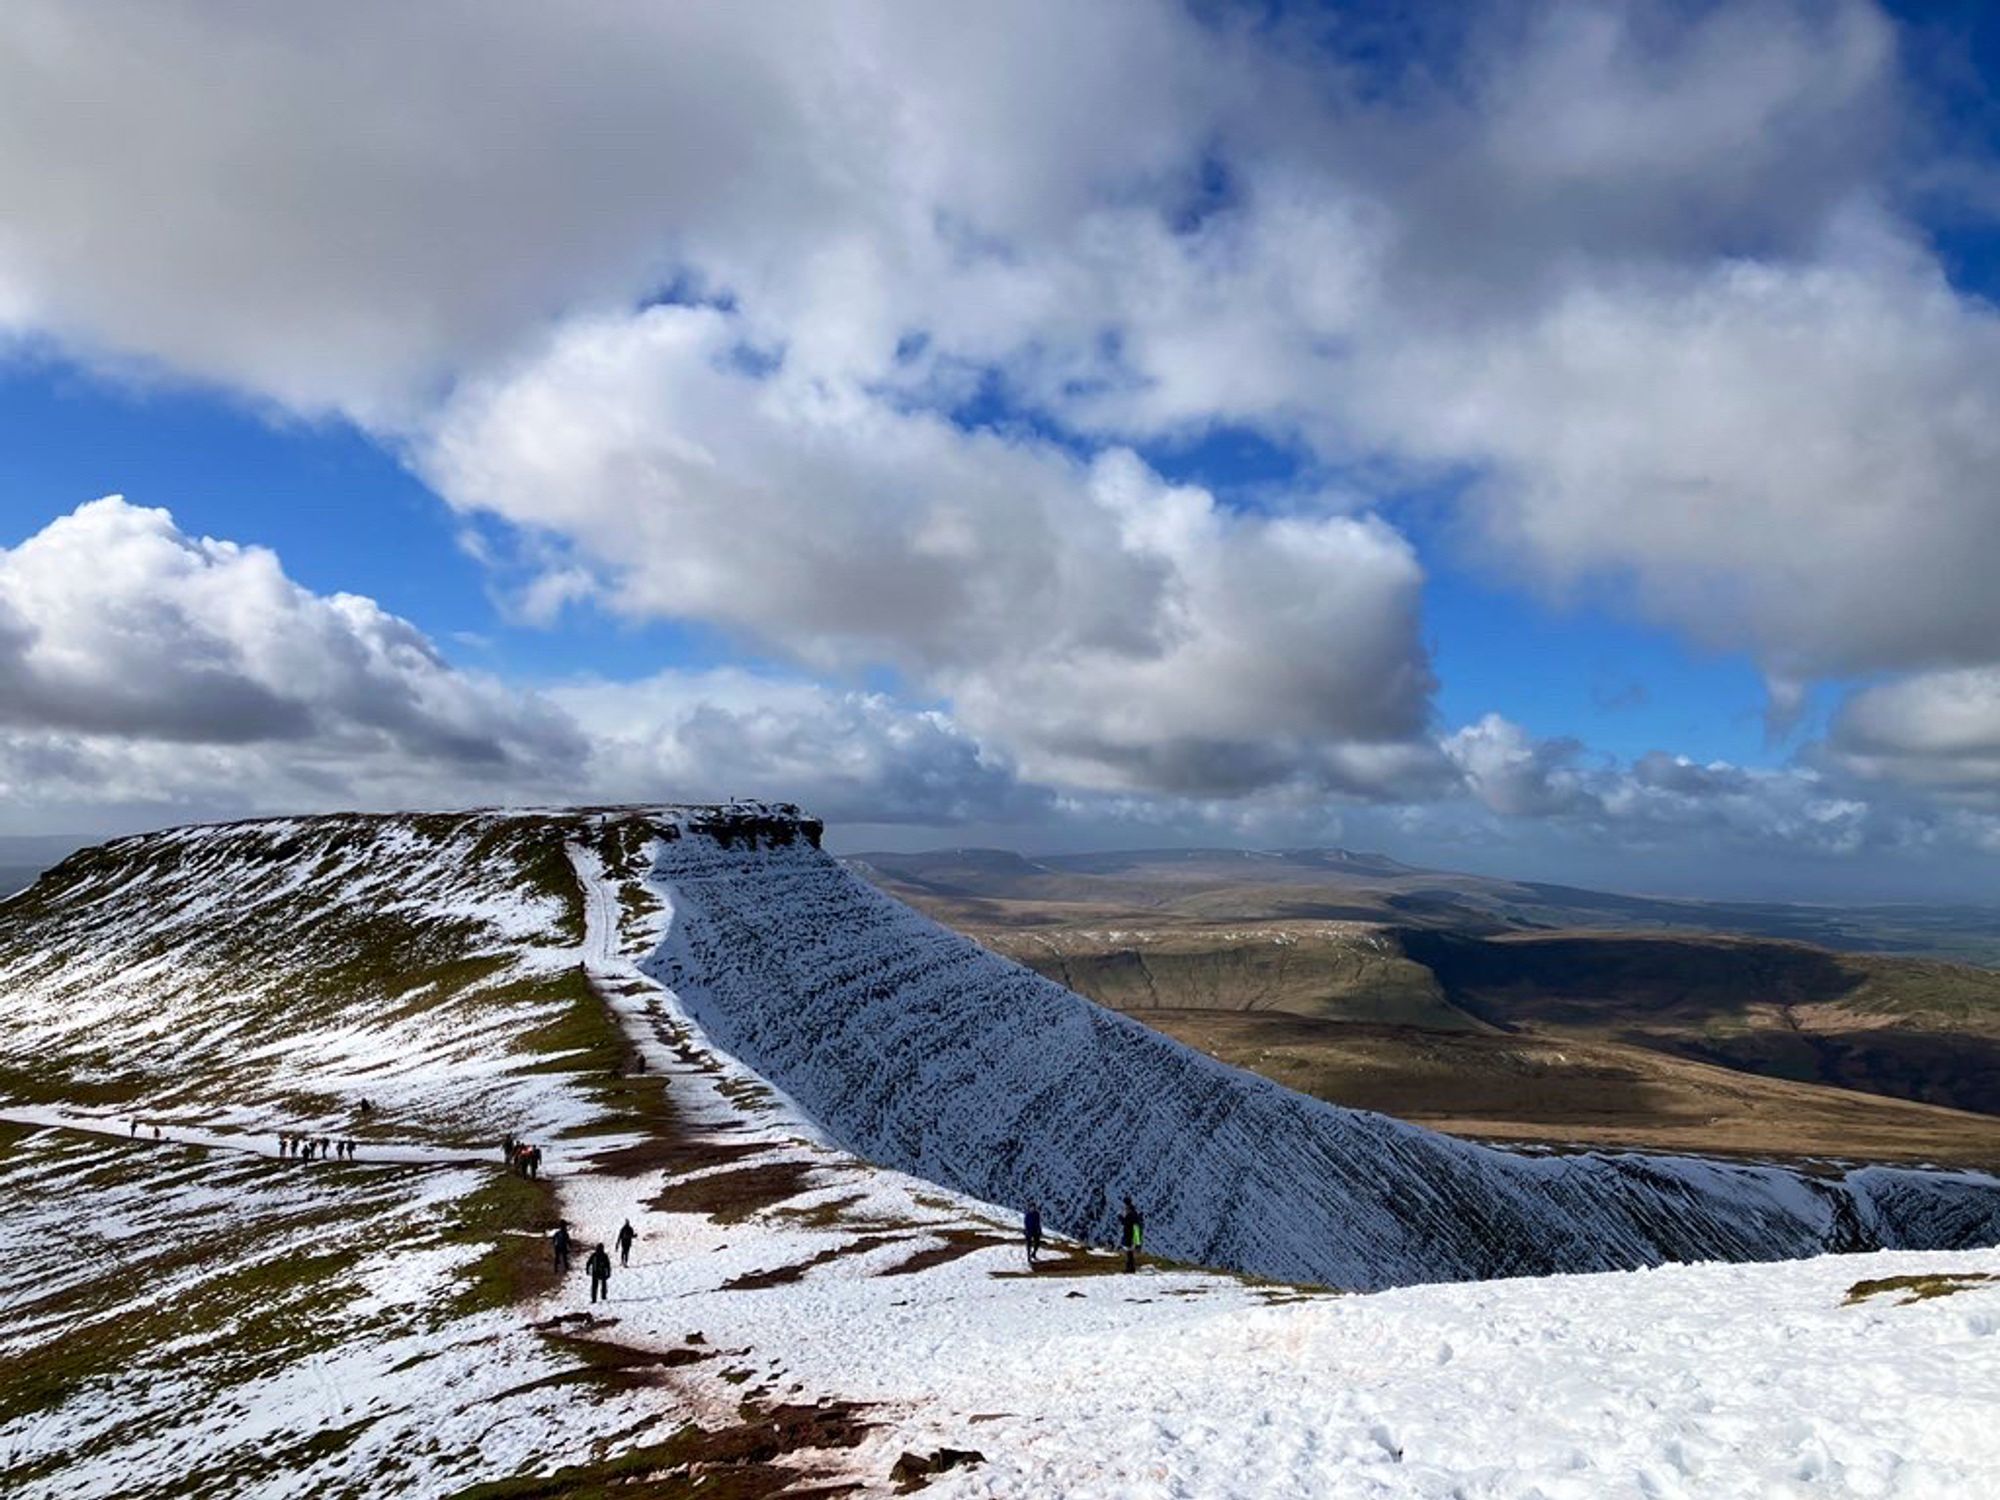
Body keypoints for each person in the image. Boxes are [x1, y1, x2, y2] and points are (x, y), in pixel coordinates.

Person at [1118, 1197, 1144, 1273]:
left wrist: (1120, 1217)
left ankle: (1130, 1269)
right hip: (1132, 1235)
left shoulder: (1130, 1214)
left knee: (1129, 1252)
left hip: (1129, 1235)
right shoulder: (1134, 1213)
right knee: (1129, 1253)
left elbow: (1126, 1223)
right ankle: (1130, 1268)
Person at [1023, 1204, 1043, 1268]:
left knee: (1037, 1243)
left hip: (1035, 1231)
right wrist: (1026, 1230)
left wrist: (1039, 1230)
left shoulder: (1037, 1214)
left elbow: (1038, 1223)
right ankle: (1029, 1256)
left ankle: (1033, 1253)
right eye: (1031, 1207)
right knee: (1028, 1244)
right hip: (1029, 1231)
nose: (1032, 1208)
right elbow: (1025, 1223)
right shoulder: (1028, 1215)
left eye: (1033, 1207)